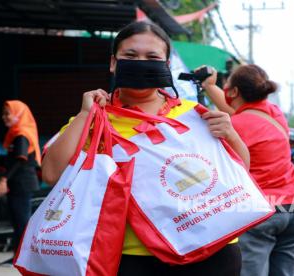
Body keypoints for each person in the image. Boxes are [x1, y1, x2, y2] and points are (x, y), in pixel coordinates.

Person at [42, 21, 250, 275]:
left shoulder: (195, 115)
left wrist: (232, 135)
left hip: (212, 247)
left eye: (152, 56)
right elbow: (51, 174)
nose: (141, 62)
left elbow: (240, 173)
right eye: (130, 55)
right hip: (133, 255)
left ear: (166, 64)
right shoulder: (93, 118)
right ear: (113, 63)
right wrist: (86, 115)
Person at [201, 64, 294, 276]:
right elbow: (237, 110)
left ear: (233, 92)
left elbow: (232, 115)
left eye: (227, 82)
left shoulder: (234, 127)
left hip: (262, 210)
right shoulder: (275, 115)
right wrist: (210, 86)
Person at [0, 100, 41, 267]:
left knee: (22, 222)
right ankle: (17, 257)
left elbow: (20, 160)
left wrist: (4, 179)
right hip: (18, 184)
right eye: (4, 113)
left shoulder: (22, 134)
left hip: (22, 184)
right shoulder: (15, 133)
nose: (4, 117)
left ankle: (24, 258)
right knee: (17, 222)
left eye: (8, 113)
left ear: (19, 114)